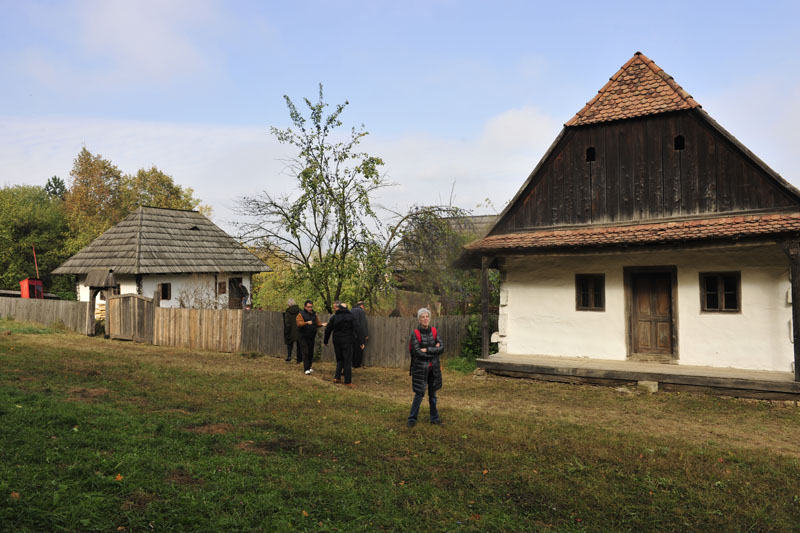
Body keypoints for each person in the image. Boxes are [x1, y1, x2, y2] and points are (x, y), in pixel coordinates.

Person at [407, 307, 444, 427]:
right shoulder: (415, 333)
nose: (425, 319)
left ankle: (434, 418)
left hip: (434, 369)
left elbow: (441, 348)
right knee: (419, 394)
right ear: (419, 319)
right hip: (420, 369)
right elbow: (417, 352)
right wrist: (434, 351)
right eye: (422, 317)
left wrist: (427, 349)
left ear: (429, 318)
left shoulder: (434, 331)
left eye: (427, 316)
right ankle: (412, 419)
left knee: (433, 395)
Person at [323, 301, 364, 387]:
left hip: (337, 341)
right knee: (347, 361)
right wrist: (361, 342)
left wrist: (325, 341)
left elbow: (328, 330)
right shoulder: (351, 317)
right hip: (348, 341)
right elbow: (358, 328)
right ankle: (348, 381)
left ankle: (337, 377)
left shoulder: (334, 317)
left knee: (340, 359)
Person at [296, 299, 326, 375]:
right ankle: (306, 369)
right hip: (303, 336)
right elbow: (299, 323)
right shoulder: (301, 314)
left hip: (311, 336)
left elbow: (317, 323)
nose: (310, 308)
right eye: (308, 307)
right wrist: (306, 323)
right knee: (305, 352)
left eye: (311, 307)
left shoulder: (314, 314)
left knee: (310, 352)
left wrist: (322, 324)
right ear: (305, 307)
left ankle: (309, 367)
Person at [350, 301, 369, 368]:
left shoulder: (351, 310)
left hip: (351, 333)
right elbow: (363, 323)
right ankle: (357, 364)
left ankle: (351, 363)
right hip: (359, 333)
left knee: (352, 349)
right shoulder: (361, 311)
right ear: (362, 306)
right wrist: (365, 334)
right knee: (360, 348)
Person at [283, 298, 301, 362]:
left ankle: (289, 356)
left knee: (289, 343)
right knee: (299, 345)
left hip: (291, 330)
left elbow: (287, 323)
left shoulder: (288, 312)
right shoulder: (300, 311)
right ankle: (299, 359)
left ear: (288, 304)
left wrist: (286, 331)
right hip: (299, 329)